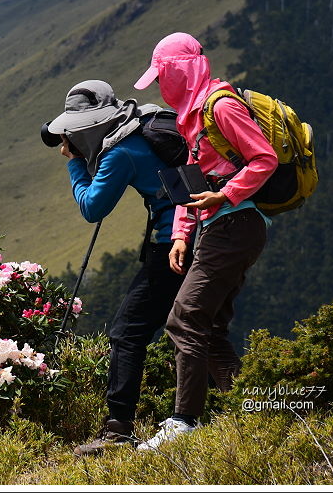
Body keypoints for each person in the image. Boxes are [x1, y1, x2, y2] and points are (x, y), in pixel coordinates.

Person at [132, 32, 278, 451]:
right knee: (209, 328)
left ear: (180, 71)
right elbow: (192, 184)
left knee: (184, 319)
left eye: (163, 77)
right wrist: (180, 236)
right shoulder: (192, 118)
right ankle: (254, 417)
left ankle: (184, 421)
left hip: (237, 225)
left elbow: (263, 158)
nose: (161, 86)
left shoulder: (221, 106)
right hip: (220, 228)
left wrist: (227, 194)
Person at [46, 79, 189, 456]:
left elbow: (93, 208)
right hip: (204, 233)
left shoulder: (119, 153)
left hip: (173, 243)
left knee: (127, 332)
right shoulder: (143, 121)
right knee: (200, 326)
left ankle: (118, 432)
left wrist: (77, 165)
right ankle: (241, 403)